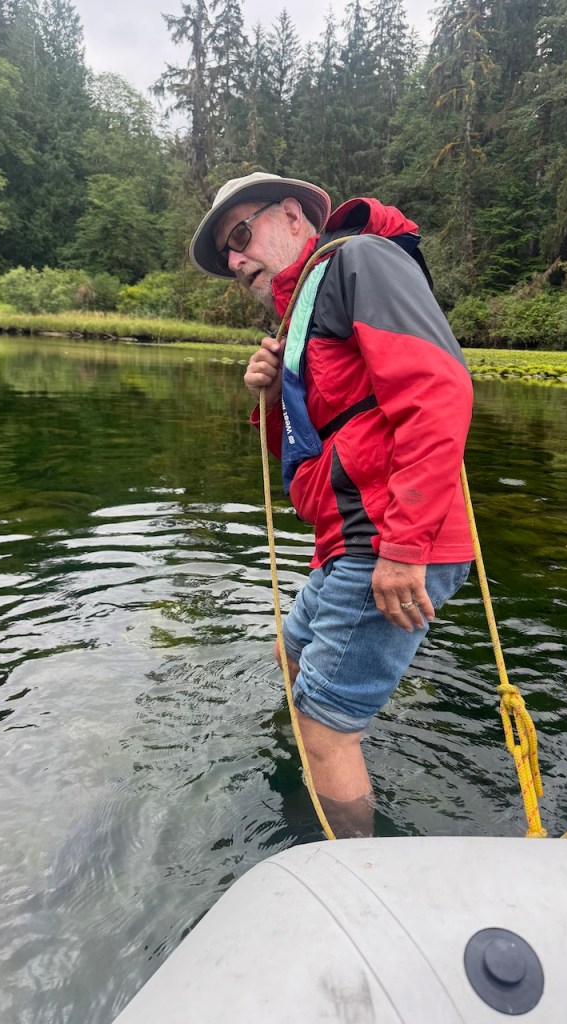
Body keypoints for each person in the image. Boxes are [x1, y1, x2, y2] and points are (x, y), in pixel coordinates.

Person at [190, 172, 474, 837]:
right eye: (228, 259)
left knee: (322, 727)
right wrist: (268, 399)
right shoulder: (301, 319)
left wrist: (403, 548)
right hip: (350, 540)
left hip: (392, 536)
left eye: (239, 235)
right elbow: (308, 454)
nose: (235, 261)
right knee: (288, 656)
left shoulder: (357, 261)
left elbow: (440, 392)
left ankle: (352, 868)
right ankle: (326, 751)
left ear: (292, 214)